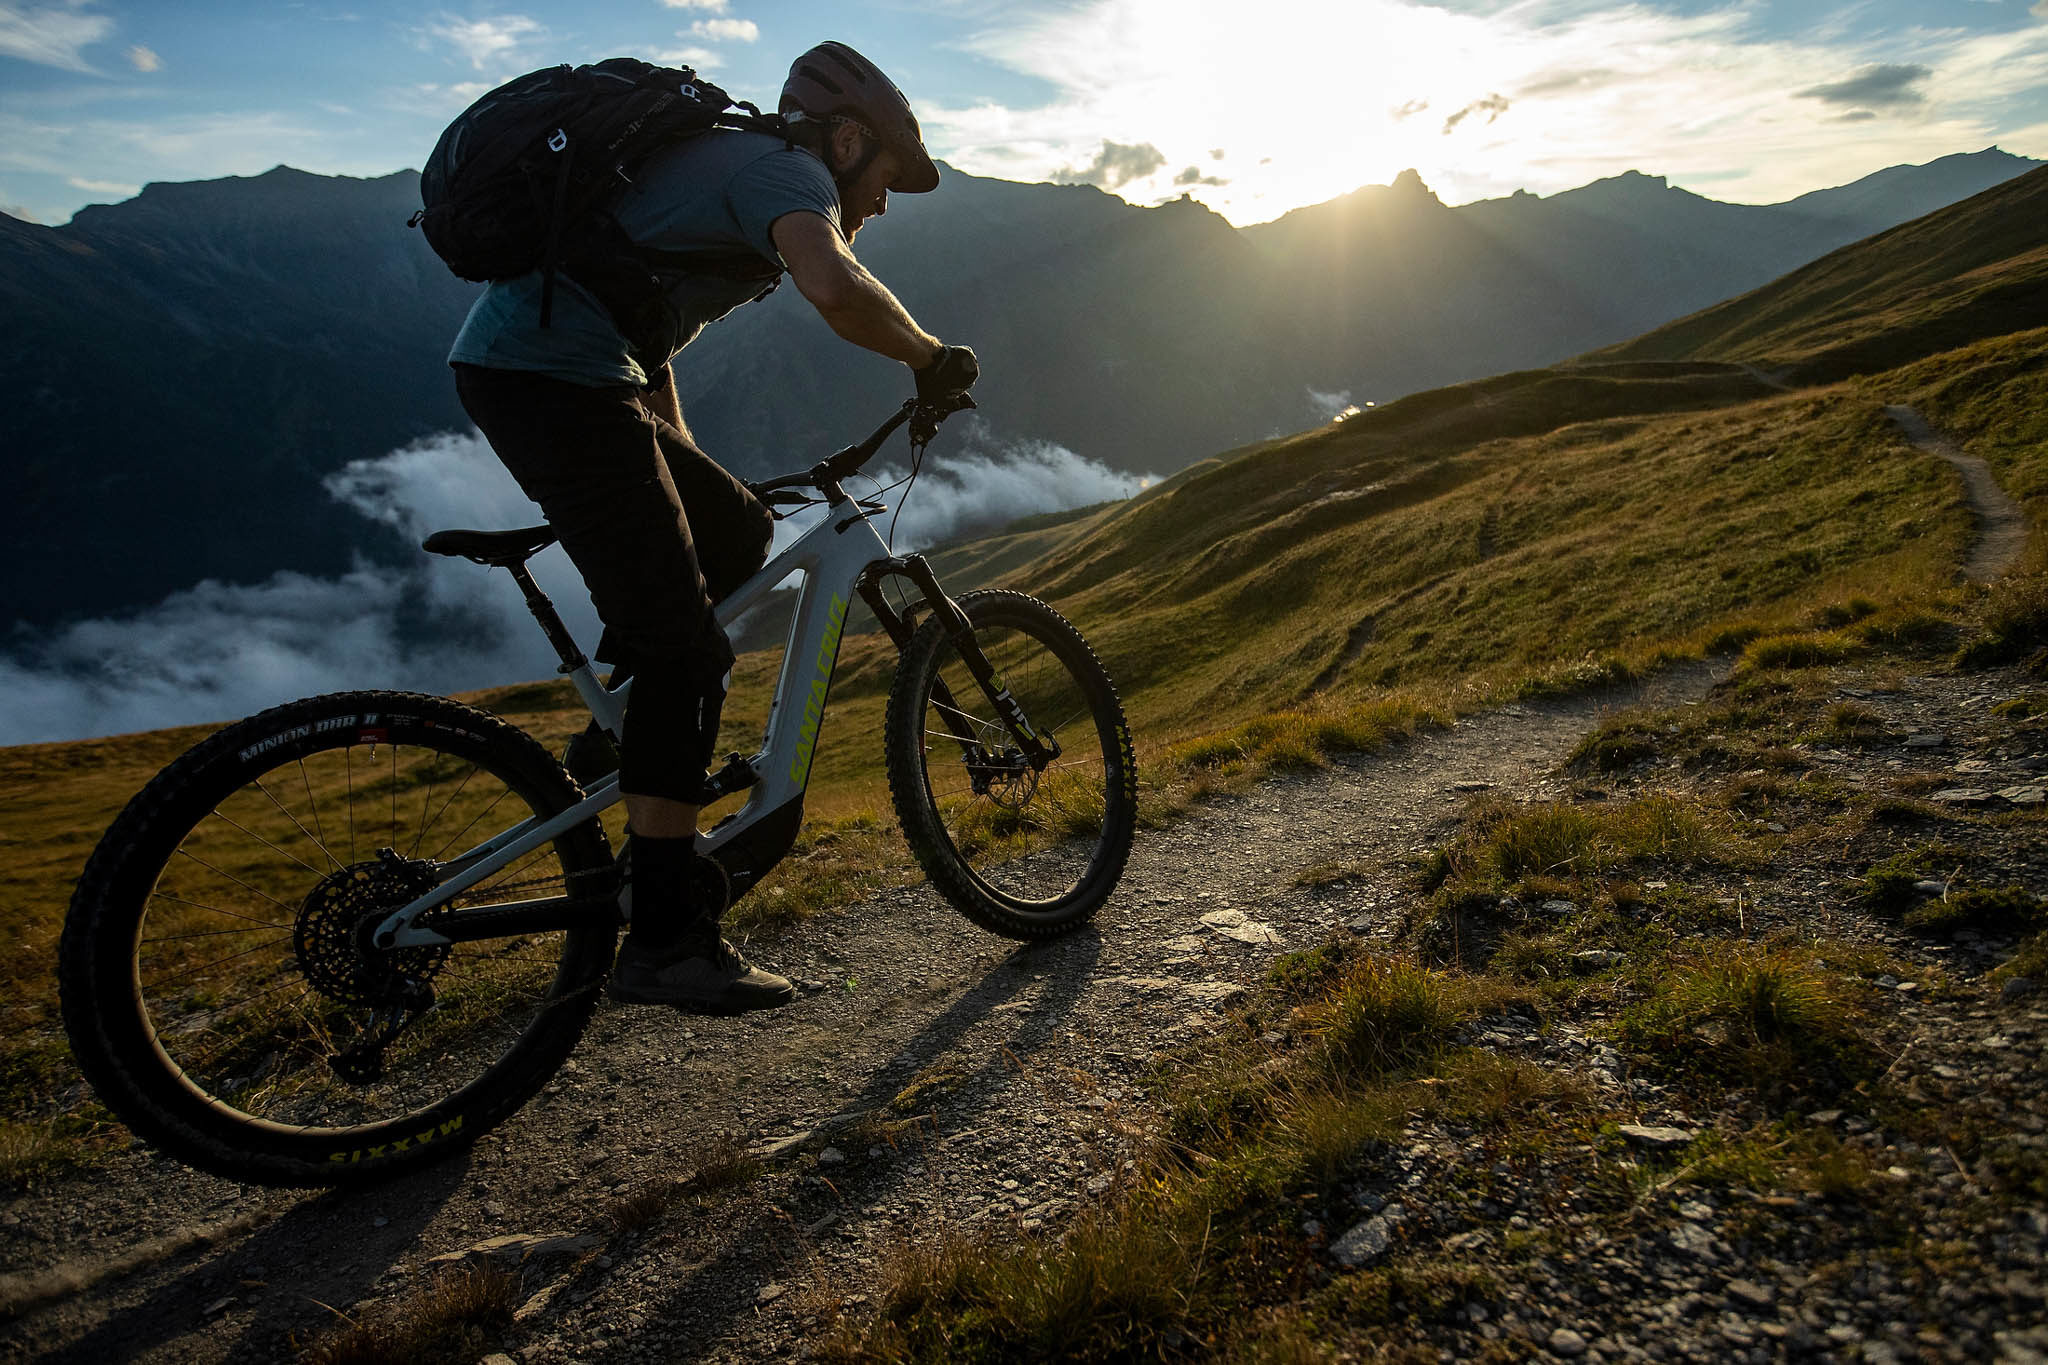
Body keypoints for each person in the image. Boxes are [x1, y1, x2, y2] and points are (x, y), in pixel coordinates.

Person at [447, 41, 978, 1015]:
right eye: (889, 175)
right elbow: (833, 286)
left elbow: (638, 318)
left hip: (563, 373)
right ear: (847, 141)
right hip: (549, 382)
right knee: (685, 654)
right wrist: (928, 356)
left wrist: (683, 462)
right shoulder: (791, 175)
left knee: (733, 531)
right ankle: (664, 940)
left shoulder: (731, 162)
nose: (883, 201)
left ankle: (621, 743)